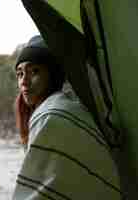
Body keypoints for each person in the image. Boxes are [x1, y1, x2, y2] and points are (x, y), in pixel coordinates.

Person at [12, 35, 123, 200]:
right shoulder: (62, 106)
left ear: (53, 75)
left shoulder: (52, 115)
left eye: (34, 71)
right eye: (20, 74)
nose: (24, 82)